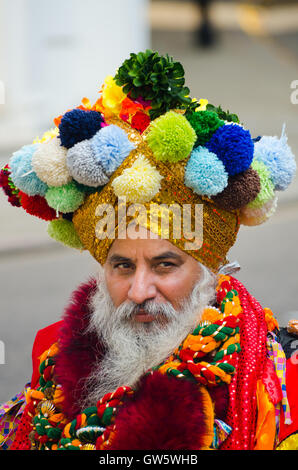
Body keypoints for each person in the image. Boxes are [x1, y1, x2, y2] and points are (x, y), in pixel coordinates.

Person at [0, 49, 297, 451]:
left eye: (165, 264)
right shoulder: (52, 364)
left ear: (210, 269)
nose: (139, 291)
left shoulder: (280, 381)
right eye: (122, 265)